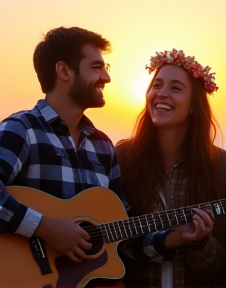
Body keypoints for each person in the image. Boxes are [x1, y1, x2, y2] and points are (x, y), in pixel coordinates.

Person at [0, 27, 173, 288]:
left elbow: (120, 236)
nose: (106, 77)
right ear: (64, 71)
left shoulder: (103, 146)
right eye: (96, 67)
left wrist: (173, 239)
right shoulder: (21, 130)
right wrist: (44, 228)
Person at [116, 49, 226, 288]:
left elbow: (224, 265)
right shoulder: (122, 158)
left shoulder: (220, 165)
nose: (162, 93)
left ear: (193, 106)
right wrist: (174, 238)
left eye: (176, 88)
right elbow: (115, 247)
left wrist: (200, 243)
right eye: (157, 85)